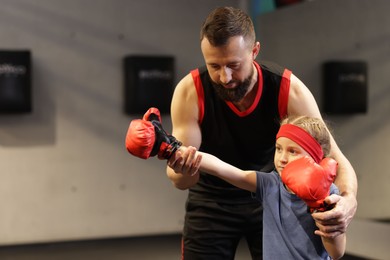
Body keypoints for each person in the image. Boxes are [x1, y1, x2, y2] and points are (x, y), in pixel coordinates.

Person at [166, 6, 357, 259]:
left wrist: (347, 200)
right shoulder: (190, 91)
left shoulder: (289, 91)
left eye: (234, 65)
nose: (225, 77)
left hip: (273, 196)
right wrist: (182, 170)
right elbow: (182, 181)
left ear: (254, 51)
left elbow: (334, 157)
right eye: (214, 66)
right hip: (212, 200)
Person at [169, 115, 347, 259]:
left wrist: (319, 203)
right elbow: (222, 169)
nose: (282, 158)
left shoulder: (329, 193)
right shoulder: (271, 184)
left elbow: (336, 253)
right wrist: (175, 150)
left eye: (293, 151)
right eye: (278, 149)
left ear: (316, 156)